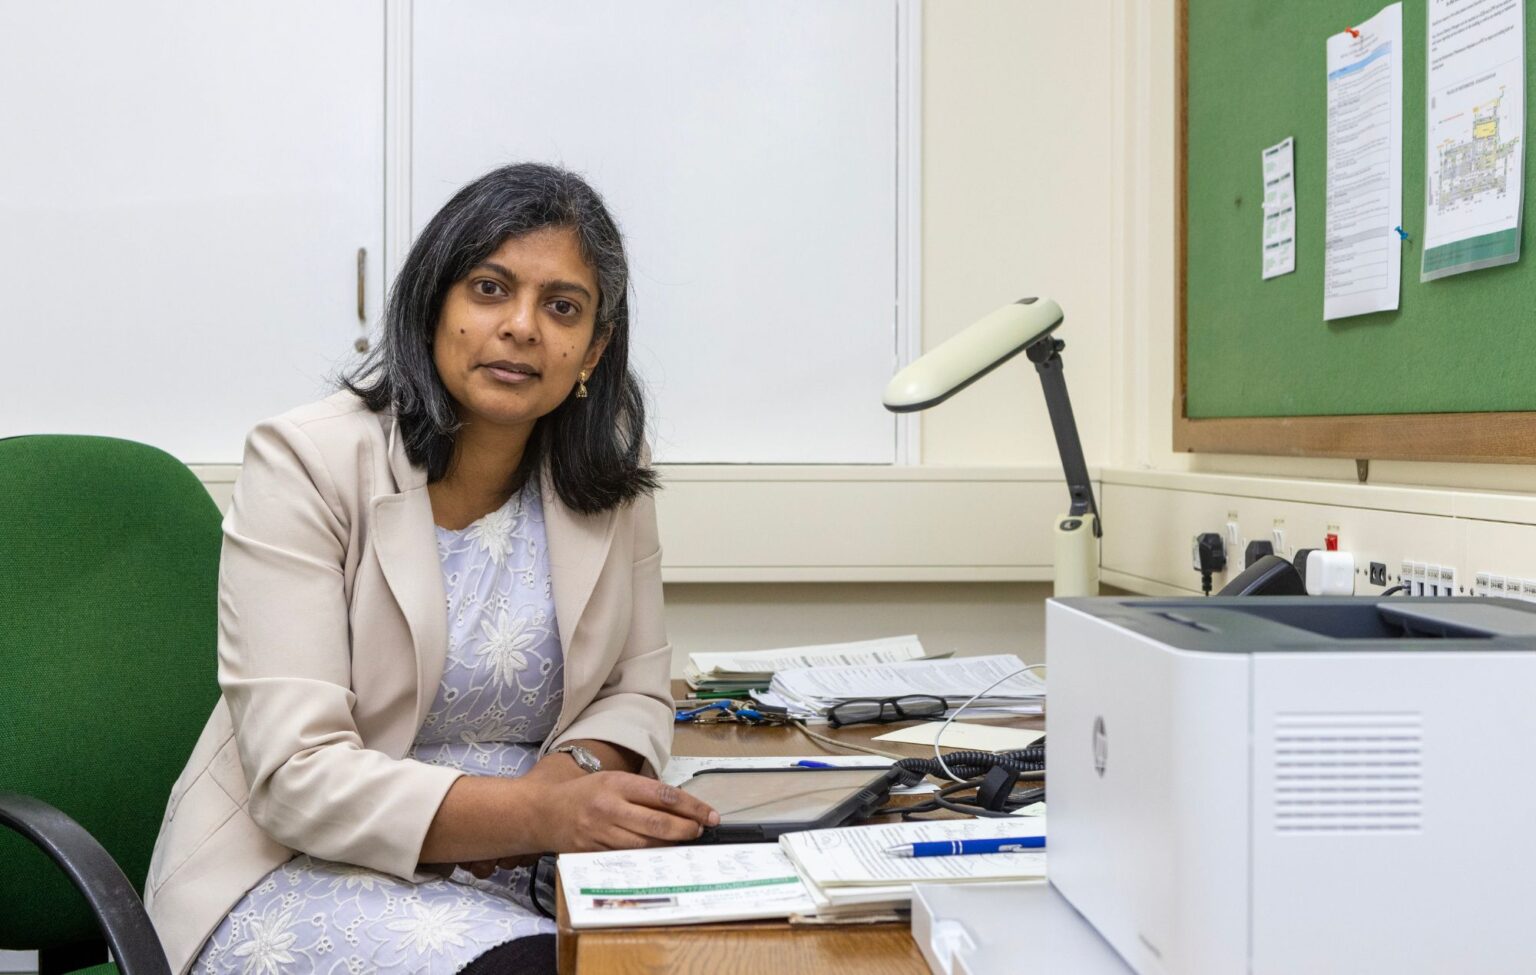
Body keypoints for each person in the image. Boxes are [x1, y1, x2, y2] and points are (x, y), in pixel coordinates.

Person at [143, 163, 717, 975]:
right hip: (304, 870)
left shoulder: (608, 472)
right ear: (433, 305)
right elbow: (297, 775)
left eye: (562, 307)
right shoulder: (306, 460)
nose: (522, 326)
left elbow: (635, 687)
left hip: (537, 867)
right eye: (489, 288)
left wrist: (570, 784)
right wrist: (537, 812)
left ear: (592, 350)